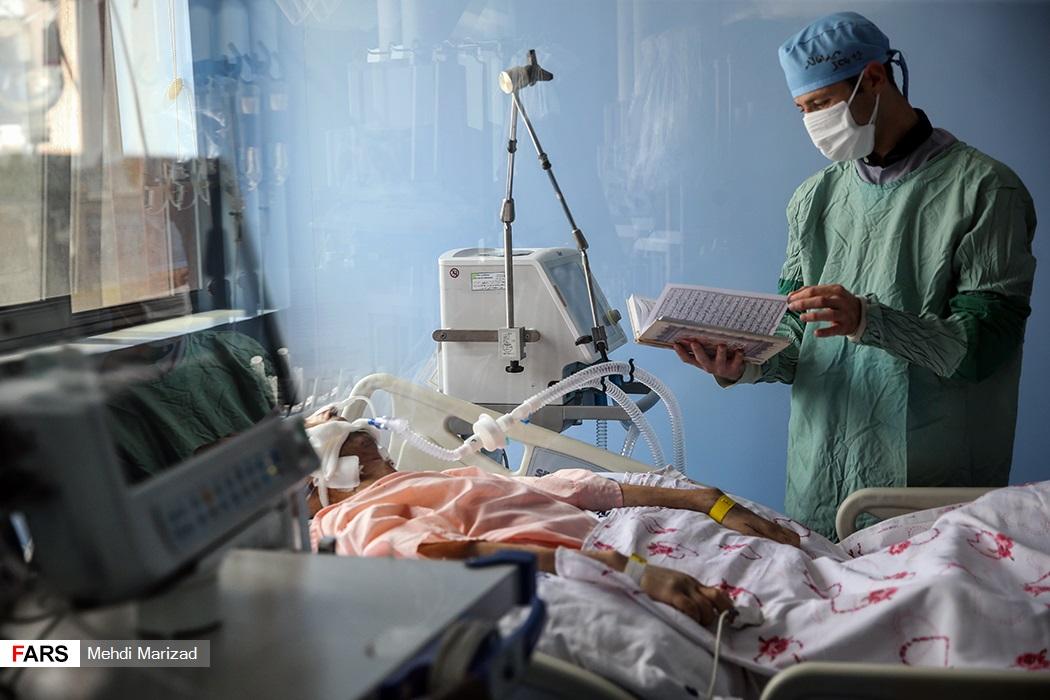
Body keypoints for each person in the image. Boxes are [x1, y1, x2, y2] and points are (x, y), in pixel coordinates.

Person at [673, 11, 1037, 539]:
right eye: (802, 109)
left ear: (874, 78)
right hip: (821, 479)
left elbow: (981, 348)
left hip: (927, 489)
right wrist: (740, 363)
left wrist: (869, 320)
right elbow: (796, 342)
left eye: (821, 103)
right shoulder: (813, 200)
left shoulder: (985, 190)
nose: (812, 121)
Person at [305, 415, 800, 626]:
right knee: (790, 605)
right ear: (325, 480)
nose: (385, 460)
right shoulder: (352, 516)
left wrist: (704, 500)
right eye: (368, 458)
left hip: (630, 532)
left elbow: (568, 487)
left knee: (798, 568)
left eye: (378, 451)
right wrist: (629, 571)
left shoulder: (432, 481)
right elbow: (438, 553)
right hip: (608, 558)